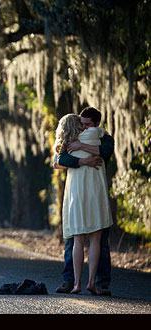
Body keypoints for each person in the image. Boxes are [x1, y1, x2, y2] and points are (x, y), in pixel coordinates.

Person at [53, 107, 114, 295]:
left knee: (99, 241)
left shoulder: (104, 138)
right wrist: (82, 161)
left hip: (91, 191)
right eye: (81, 124)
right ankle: (69, 281)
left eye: (87, 124)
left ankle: (100, 282)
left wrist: (81, 147)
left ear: (96, 124)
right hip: (83, 192)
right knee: (74, 239)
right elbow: (59, 160)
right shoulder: (73, 137)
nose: (83, 128)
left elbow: (104, 152)